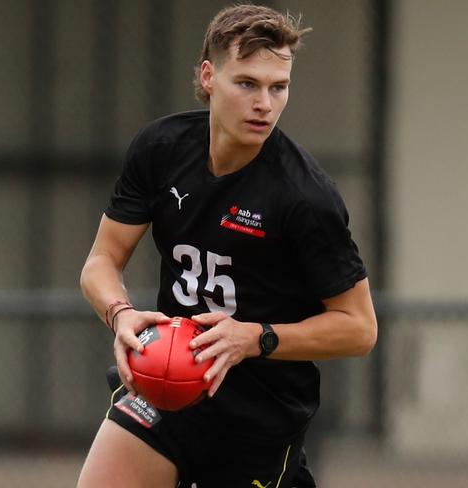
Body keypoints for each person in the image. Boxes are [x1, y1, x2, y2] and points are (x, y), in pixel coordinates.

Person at [77, 4, 377, 487]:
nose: (265, 103)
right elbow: (101, 261)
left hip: (256, 420)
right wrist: (121, 314)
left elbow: (359, 329)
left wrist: (253, 338)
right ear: (209, 75)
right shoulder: (161, 148)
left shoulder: (305, 197)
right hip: (165, 386)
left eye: (279, 87)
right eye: (247, 84)